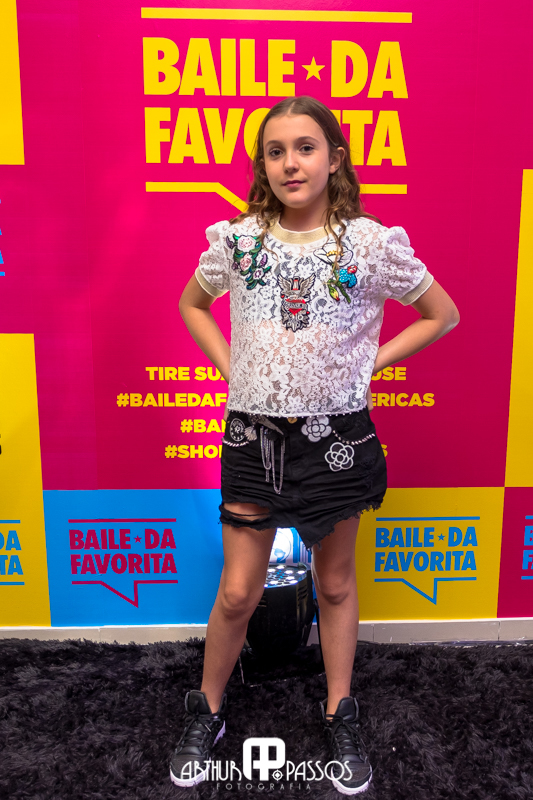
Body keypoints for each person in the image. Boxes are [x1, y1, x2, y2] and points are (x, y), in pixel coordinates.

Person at [170, 95, 459, 795]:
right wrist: (233, 368)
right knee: (237, 591)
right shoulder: (238, 241)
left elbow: (441, 314)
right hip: (254, 436)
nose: (290, 163)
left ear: (334, 159)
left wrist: (368, 365)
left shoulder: (369, 244)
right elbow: (191, 304)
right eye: (275, 152)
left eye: (305, 147)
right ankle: (206, 711)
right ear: (262, 167)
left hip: (337, 439)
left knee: (333, 583)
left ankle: (339, 710)